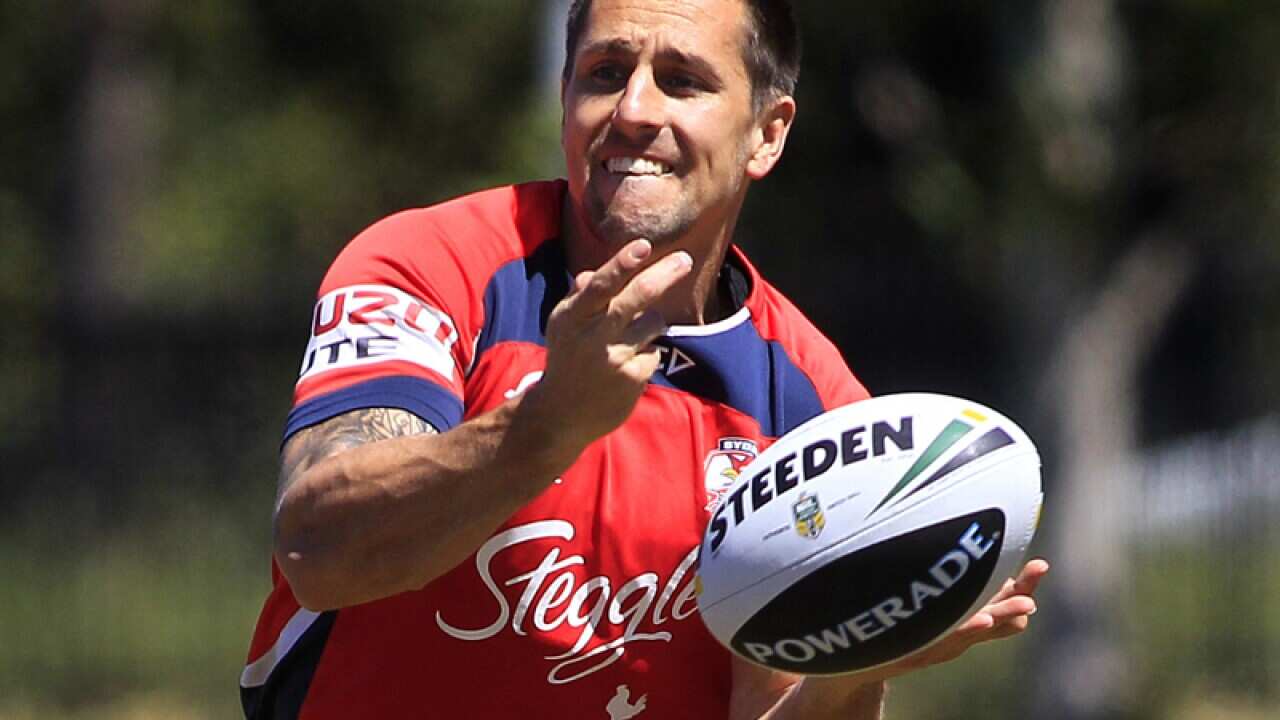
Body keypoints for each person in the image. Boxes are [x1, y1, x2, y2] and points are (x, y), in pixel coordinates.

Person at [241, 0, 1049, 717]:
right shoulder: (436, 266)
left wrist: (848, 671)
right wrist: (544, 429)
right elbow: (319, 549)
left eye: (683, 80)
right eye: (604, 71)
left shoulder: (811, 403)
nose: (633, 108)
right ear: (565, 98)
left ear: (767, 134)